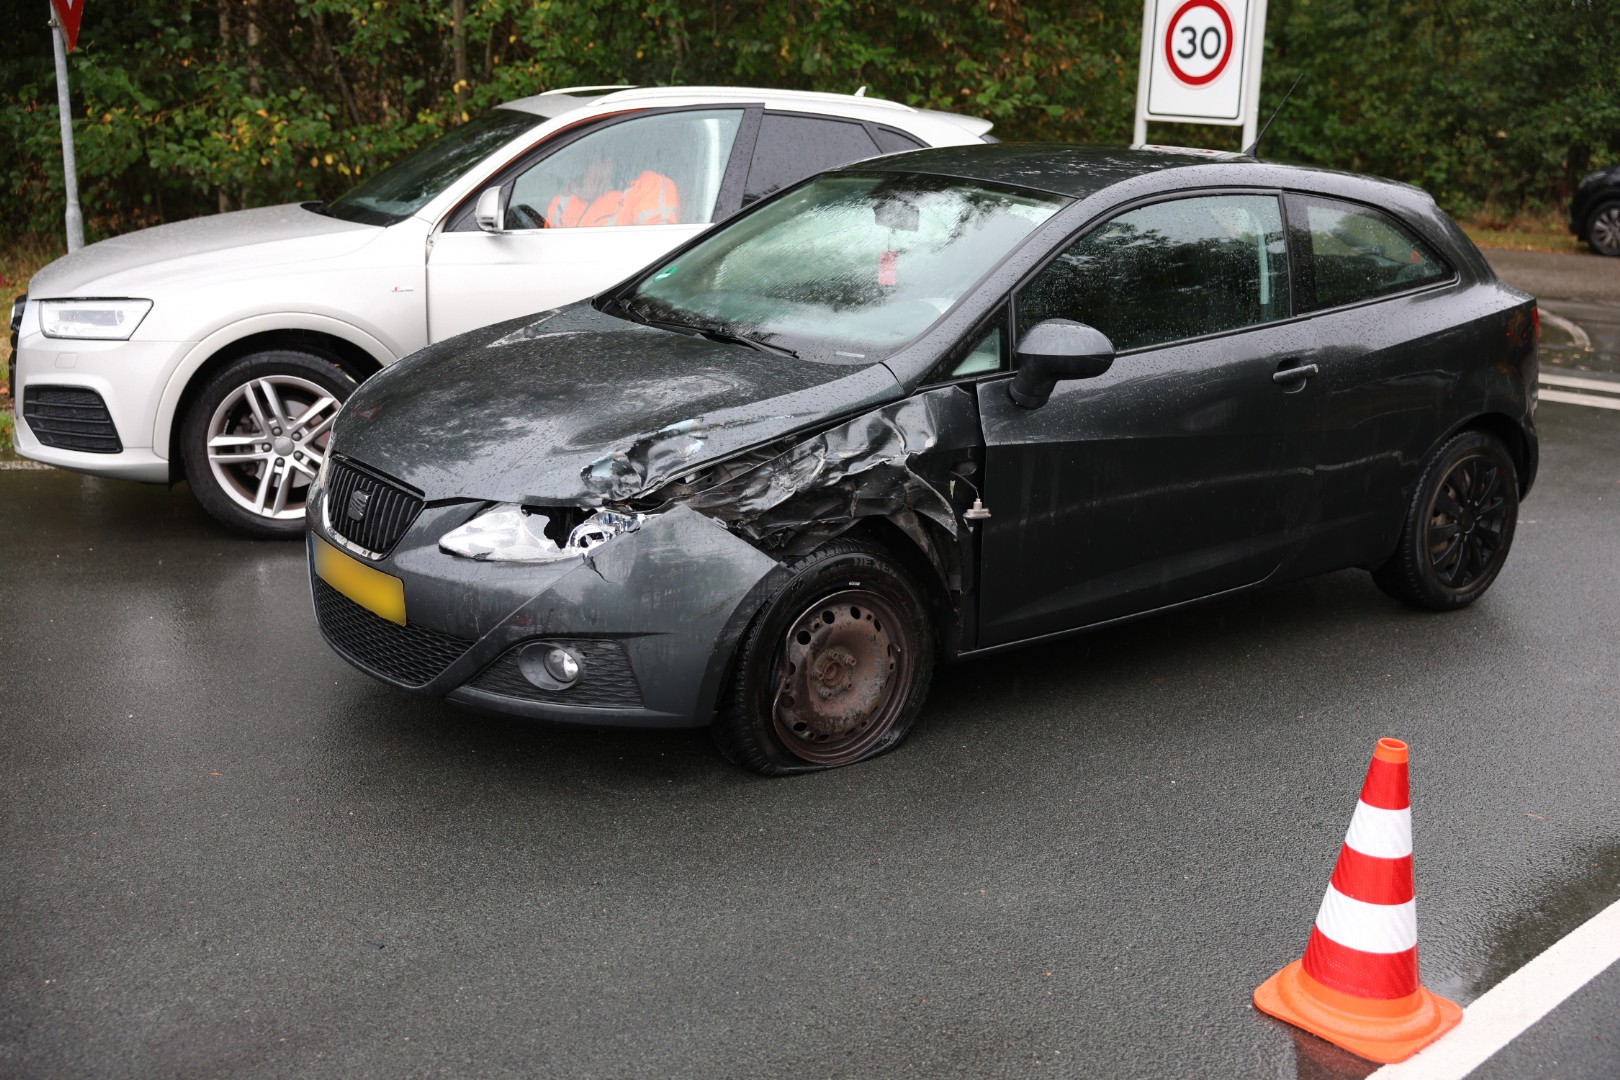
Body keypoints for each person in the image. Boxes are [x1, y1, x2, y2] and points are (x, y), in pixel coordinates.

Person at [545, 157, 680, 228]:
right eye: (592, 161)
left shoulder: (649, 185)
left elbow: (659, 241)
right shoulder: (567, 196)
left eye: (605, 160)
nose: (596, 169)